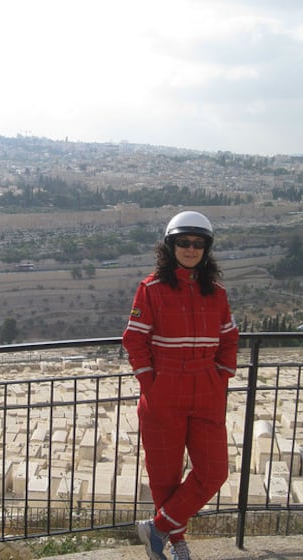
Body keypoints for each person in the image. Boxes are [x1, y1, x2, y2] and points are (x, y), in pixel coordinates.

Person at [122, 211, 239, 560]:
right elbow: (134, 340)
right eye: (184, 242)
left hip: (206, 388)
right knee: (164, 475)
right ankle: (175, 541)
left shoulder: (216, 293)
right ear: (170, 245)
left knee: (214, 470)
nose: (191, 249)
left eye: (198, 243)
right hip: (164, 390)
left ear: (207, 248)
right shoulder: (151, 289)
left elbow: (229, 338)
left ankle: (157, 527)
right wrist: (151, 385)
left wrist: (220, 376)